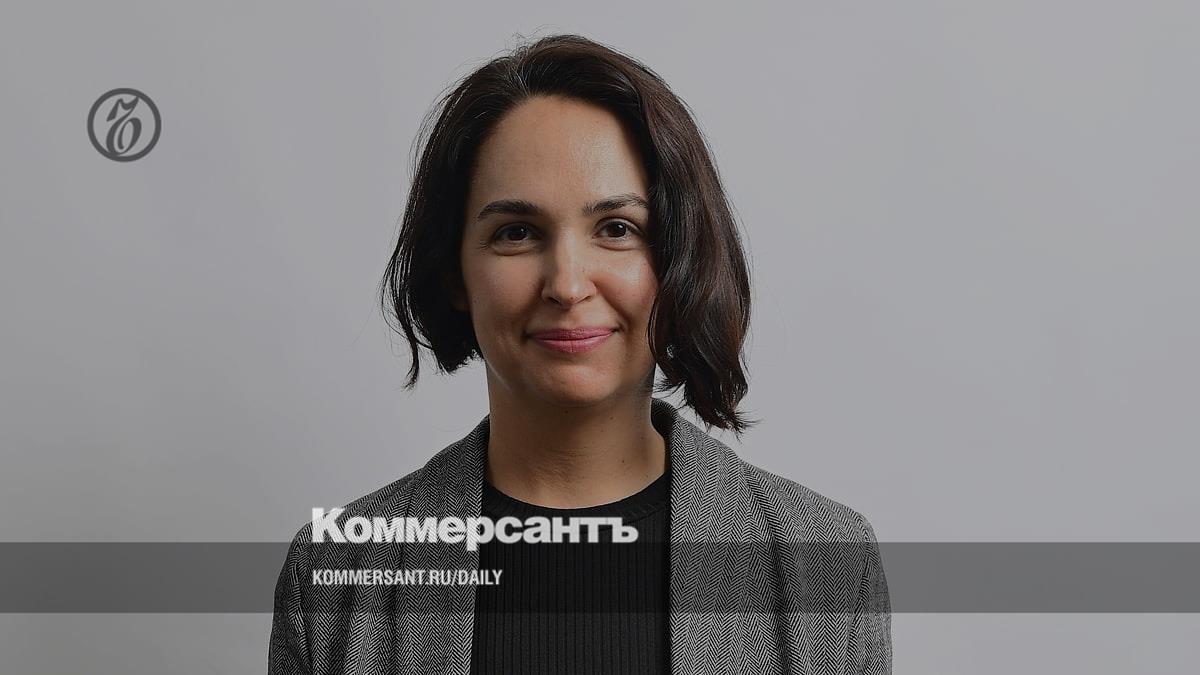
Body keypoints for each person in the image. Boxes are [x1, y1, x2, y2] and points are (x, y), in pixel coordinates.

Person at [269, 33, 891, 675]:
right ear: (454, 272)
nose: (567, 285)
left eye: (617, 229)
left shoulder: (826, 563)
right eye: (516, 233)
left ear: (677, 257)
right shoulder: (335, 576)